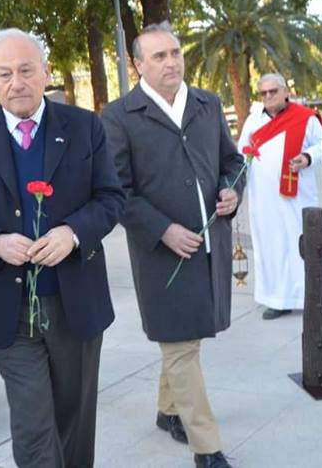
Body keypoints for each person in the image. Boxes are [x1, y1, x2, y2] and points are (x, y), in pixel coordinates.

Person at [0, 28, 124, 468]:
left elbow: (111, 199)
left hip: (74, 304)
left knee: (74, 419)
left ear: (46, 72)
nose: (16, 82)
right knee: (33, 424)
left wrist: (72, 234)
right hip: (7, 309)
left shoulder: (85, 127)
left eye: (26, 70)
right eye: (4, 74)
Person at [101, 23, 243, 468]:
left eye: (175, 52)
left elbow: (232, 161)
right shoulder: (119, 116)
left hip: (209, 244)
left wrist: (232, 190)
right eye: (159, 56)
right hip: (161, 254)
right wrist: (162, 229)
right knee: (180, 344)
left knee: (186, 337)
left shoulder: (207, 103)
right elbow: (116, 190)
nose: (171, 62)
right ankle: (208, 448)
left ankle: (168, 410)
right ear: (138, 64)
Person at [237, 74, 322, 320]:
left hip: (298, 197)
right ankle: (277, 299)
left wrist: (307, 158)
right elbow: (241, 154)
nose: (268, 96)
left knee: (305, 242)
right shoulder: (253, 121)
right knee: (272, 247)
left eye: (273, 91)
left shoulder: (305, 118)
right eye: (264, 93)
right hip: (264, 200)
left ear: (285, 92)